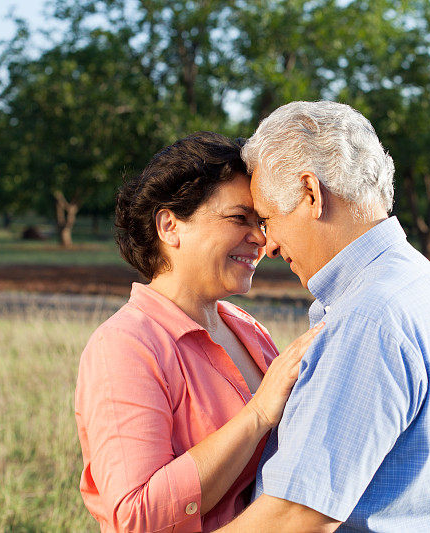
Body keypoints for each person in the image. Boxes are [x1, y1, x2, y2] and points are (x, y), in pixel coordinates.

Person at [218, 101, 430, 532]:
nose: (270, 245)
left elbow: (296, 515)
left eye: (267, 219)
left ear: (311, 193)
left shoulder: (369, 315)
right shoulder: (415, 279)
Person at [74, 132, 323, 532]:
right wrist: (257, 415)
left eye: (260, 222)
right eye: (239, 218)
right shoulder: (124, 346)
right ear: (170, 226)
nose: (261, 238)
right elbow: (136, 517)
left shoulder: (247, 328)